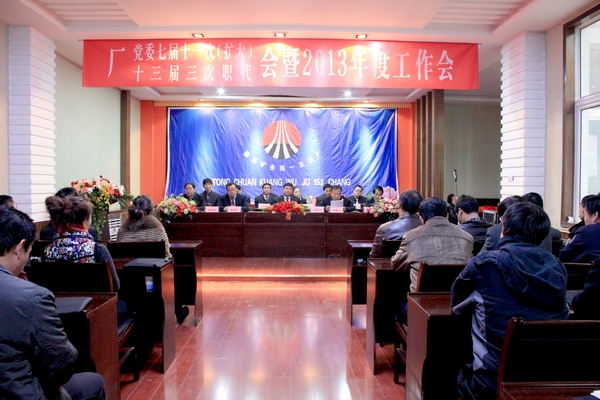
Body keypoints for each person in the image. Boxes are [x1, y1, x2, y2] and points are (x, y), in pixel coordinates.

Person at [451, 201, 569, 400]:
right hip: (546, 376)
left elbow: (456, 307)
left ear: (503, 229)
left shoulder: (483, 265)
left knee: (443, 362)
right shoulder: (556, 267)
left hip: (491, 380)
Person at [0, 207, 106, 400]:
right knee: (93, 382)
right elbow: (60, 366)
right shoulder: (31, 298)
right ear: (19, 247)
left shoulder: (50, 249)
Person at [391, 197, 473, 323]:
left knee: (394, 304)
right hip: (458, 306)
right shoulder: (467, 238)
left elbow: (395, 265)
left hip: (420, 308)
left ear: (421, 218)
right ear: (447, 215)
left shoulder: (411, 236)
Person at [42, 195, 120, 295]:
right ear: (85, 220)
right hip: (94, 302)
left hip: (58, 303)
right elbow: (115, 285)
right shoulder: (97, 250)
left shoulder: (48, 250)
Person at [370, 189, 422, 258]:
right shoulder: (426, 227)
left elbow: (374, 257)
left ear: (399, 205)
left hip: (389, 264)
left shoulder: (384, 229)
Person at [559, 194, 600, 263]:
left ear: (595, 215)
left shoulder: (586, 232)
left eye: (585, 215)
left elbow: (563, 256)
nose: (584, 219)